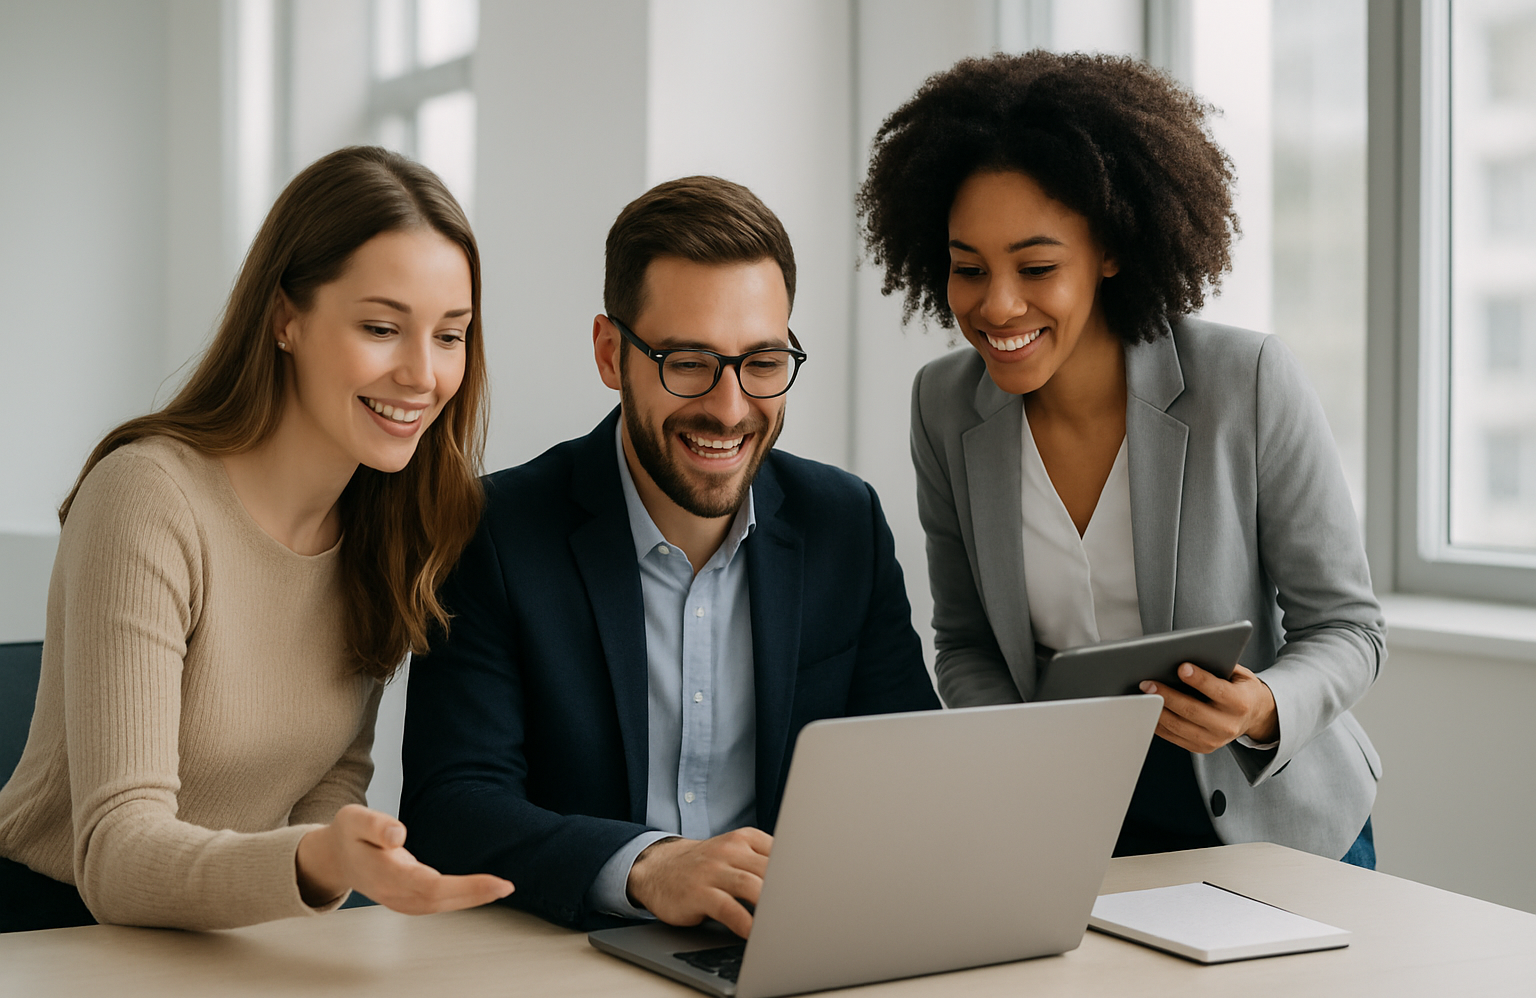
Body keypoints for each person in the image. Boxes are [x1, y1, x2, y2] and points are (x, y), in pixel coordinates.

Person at [856, 52, 1384, 864]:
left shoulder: (1243, 381)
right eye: (968, 270)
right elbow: (964, 644)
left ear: (1108, 249)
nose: (996, 306)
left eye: (1036, 267)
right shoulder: (944, 406)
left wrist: (1259, 706)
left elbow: (1348, 627)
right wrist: (1023, 753)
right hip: (1075, 828)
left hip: (1272, 820)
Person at [400, 176, 939, 937]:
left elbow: (912, 771)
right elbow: (450, 808)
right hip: (573, 958)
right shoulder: (493, 530)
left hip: (788, 948)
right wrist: (647, 866)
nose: (729, 407)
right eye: (688, 362)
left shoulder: (843, 522)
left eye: (762, 361)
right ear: (611, 353)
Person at [0, 146, 513, 933]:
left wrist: (341, 854)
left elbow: (328, 786)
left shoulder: (392, 525)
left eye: (451, 335)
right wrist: (317, 861)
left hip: (237, 933)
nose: (423, 374)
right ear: (285, 319)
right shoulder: (147, 499)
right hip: (52, 936)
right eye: (382, 327)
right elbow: (116, 853)